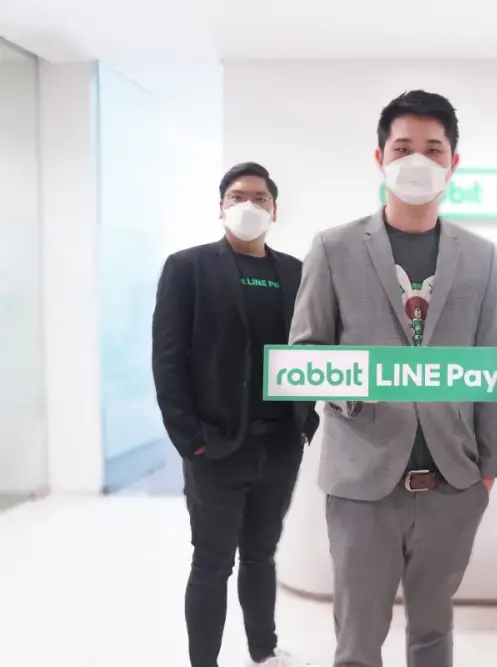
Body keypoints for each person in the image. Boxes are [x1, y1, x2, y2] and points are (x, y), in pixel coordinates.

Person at [288, 90, 497, 667]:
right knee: (358, 641)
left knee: (433, 634)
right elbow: (305, 351)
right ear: (379, 158)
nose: (418, 161)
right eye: (403, 148)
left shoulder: (480, 256)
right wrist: (361, 383)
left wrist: (487, 470)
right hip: (363, 483)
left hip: (452, 483)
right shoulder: (333, 248)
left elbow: (490, 363)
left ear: (453, 163)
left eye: (433, 150)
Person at [152, 162, 320, 667]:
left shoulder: (296, 272)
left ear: (275, 210)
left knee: (262, 555)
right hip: (217, 445)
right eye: (238, 196)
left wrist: (306, 419)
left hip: (280, 443)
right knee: (212, 562)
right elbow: (168, 359)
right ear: (221, 206)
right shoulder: (188, 268)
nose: (249, 205)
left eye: (260, 198)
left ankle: (263, 650)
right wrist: (190, 438)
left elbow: (313, 348)